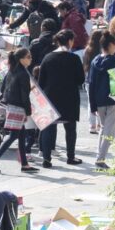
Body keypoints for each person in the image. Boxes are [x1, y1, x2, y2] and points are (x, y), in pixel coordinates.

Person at [35, 30, 85, 166]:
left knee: (48, 128)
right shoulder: (74, 58)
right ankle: (71, 157)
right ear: (69, 41)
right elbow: (81, 79)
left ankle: (46, 158)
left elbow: (41, 82)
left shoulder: (47, 58)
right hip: (69, 97)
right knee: (70, 128)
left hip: (51, 97)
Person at [0, 48, 38, 174]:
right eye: (28, 57)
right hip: (18, 108)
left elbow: (4, 88)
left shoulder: (12, 71)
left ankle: (25, 164)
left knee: (21, 136)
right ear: (21, 59)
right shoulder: (23, 74)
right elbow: (24, 96)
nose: (30, 59)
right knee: (14, 135)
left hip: (11, 106)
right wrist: (28, 112)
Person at [87, 32, 115, 169]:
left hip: (99, 100)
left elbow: (91, 83)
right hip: (112, 99)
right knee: (109, 131)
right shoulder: (114, 61)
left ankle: (99, 156)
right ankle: (100, 158)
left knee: (103, 127)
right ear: (111, 45)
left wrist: (92, 104)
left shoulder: (95, 61)